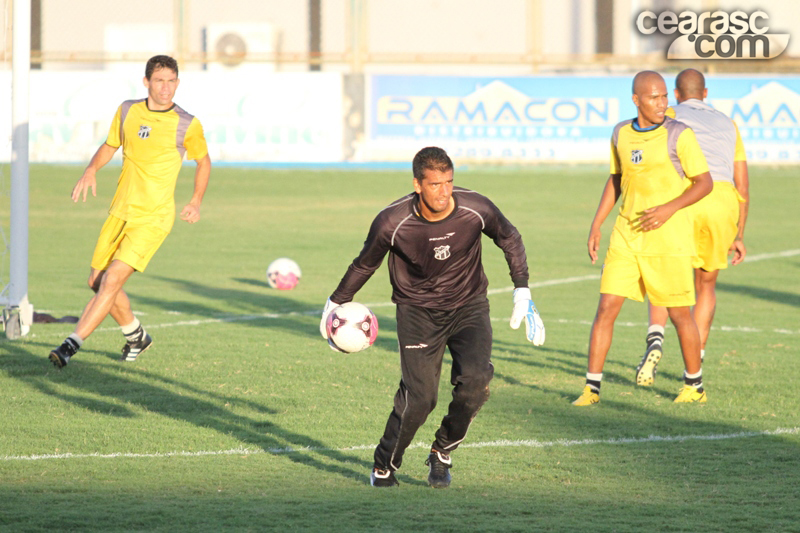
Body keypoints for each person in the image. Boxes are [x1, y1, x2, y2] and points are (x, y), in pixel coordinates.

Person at [319, 146, 545, 488]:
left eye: (449, 182)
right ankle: (385, 466)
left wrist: (522, 289)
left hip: (469, 306)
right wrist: (334, 302)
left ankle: (442, 451)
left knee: (476, 384)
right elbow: (366, 263)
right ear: (417, 185)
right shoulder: (392, 222)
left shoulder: (475, 208)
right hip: (417, 312)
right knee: (420, 398)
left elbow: (509, 237)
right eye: (436, 184)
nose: (444, 192)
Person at [48, 55, 211, 368]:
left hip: (153, 218)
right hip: (120, 211)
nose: (166, 87)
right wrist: (91, 169)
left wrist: (195, 201)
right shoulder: (127, 110)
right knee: (96, 281)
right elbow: (111, 144)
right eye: (160, 80)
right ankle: (136, 335)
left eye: (172, 81)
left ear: (178, 83)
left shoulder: (187, 123)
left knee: (111, 282)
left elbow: (203, 161)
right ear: (146, 82)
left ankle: (70, 345)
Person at [572, 71, 713, 406]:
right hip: (627, 234)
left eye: (664, 96)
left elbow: (704, 182)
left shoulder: (680, 134)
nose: (661, 103)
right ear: (636, 100)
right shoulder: (621, 132)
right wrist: (597, 223)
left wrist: (668, 208)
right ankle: (591, 389)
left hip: (668, 239)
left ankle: (694, 386)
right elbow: (616, 178)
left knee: (680, 314)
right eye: (653, 97)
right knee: (606, 306)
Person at [635, 68, 749, 386]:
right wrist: (738, 234)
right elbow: (743, 185)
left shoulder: (666, 113)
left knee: (664, 273)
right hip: (721, 200)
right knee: (706, 285)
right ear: (706, 93)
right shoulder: (729, 124)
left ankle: (655, 338)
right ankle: (694, 359)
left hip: (684, 195)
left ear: (676, 93)